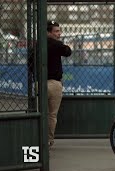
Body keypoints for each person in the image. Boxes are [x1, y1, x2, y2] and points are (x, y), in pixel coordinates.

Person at [47, 20, 72, 149]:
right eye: (56, 31)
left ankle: (38, 139)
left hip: (40, 83)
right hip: (54, 83)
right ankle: (48, 141)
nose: (59, 34)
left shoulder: (37, 45)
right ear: (48, 32)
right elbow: (68, 52)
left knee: (40, 112)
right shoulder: (56, 44)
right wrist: (63, 45)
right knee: (52, 115)